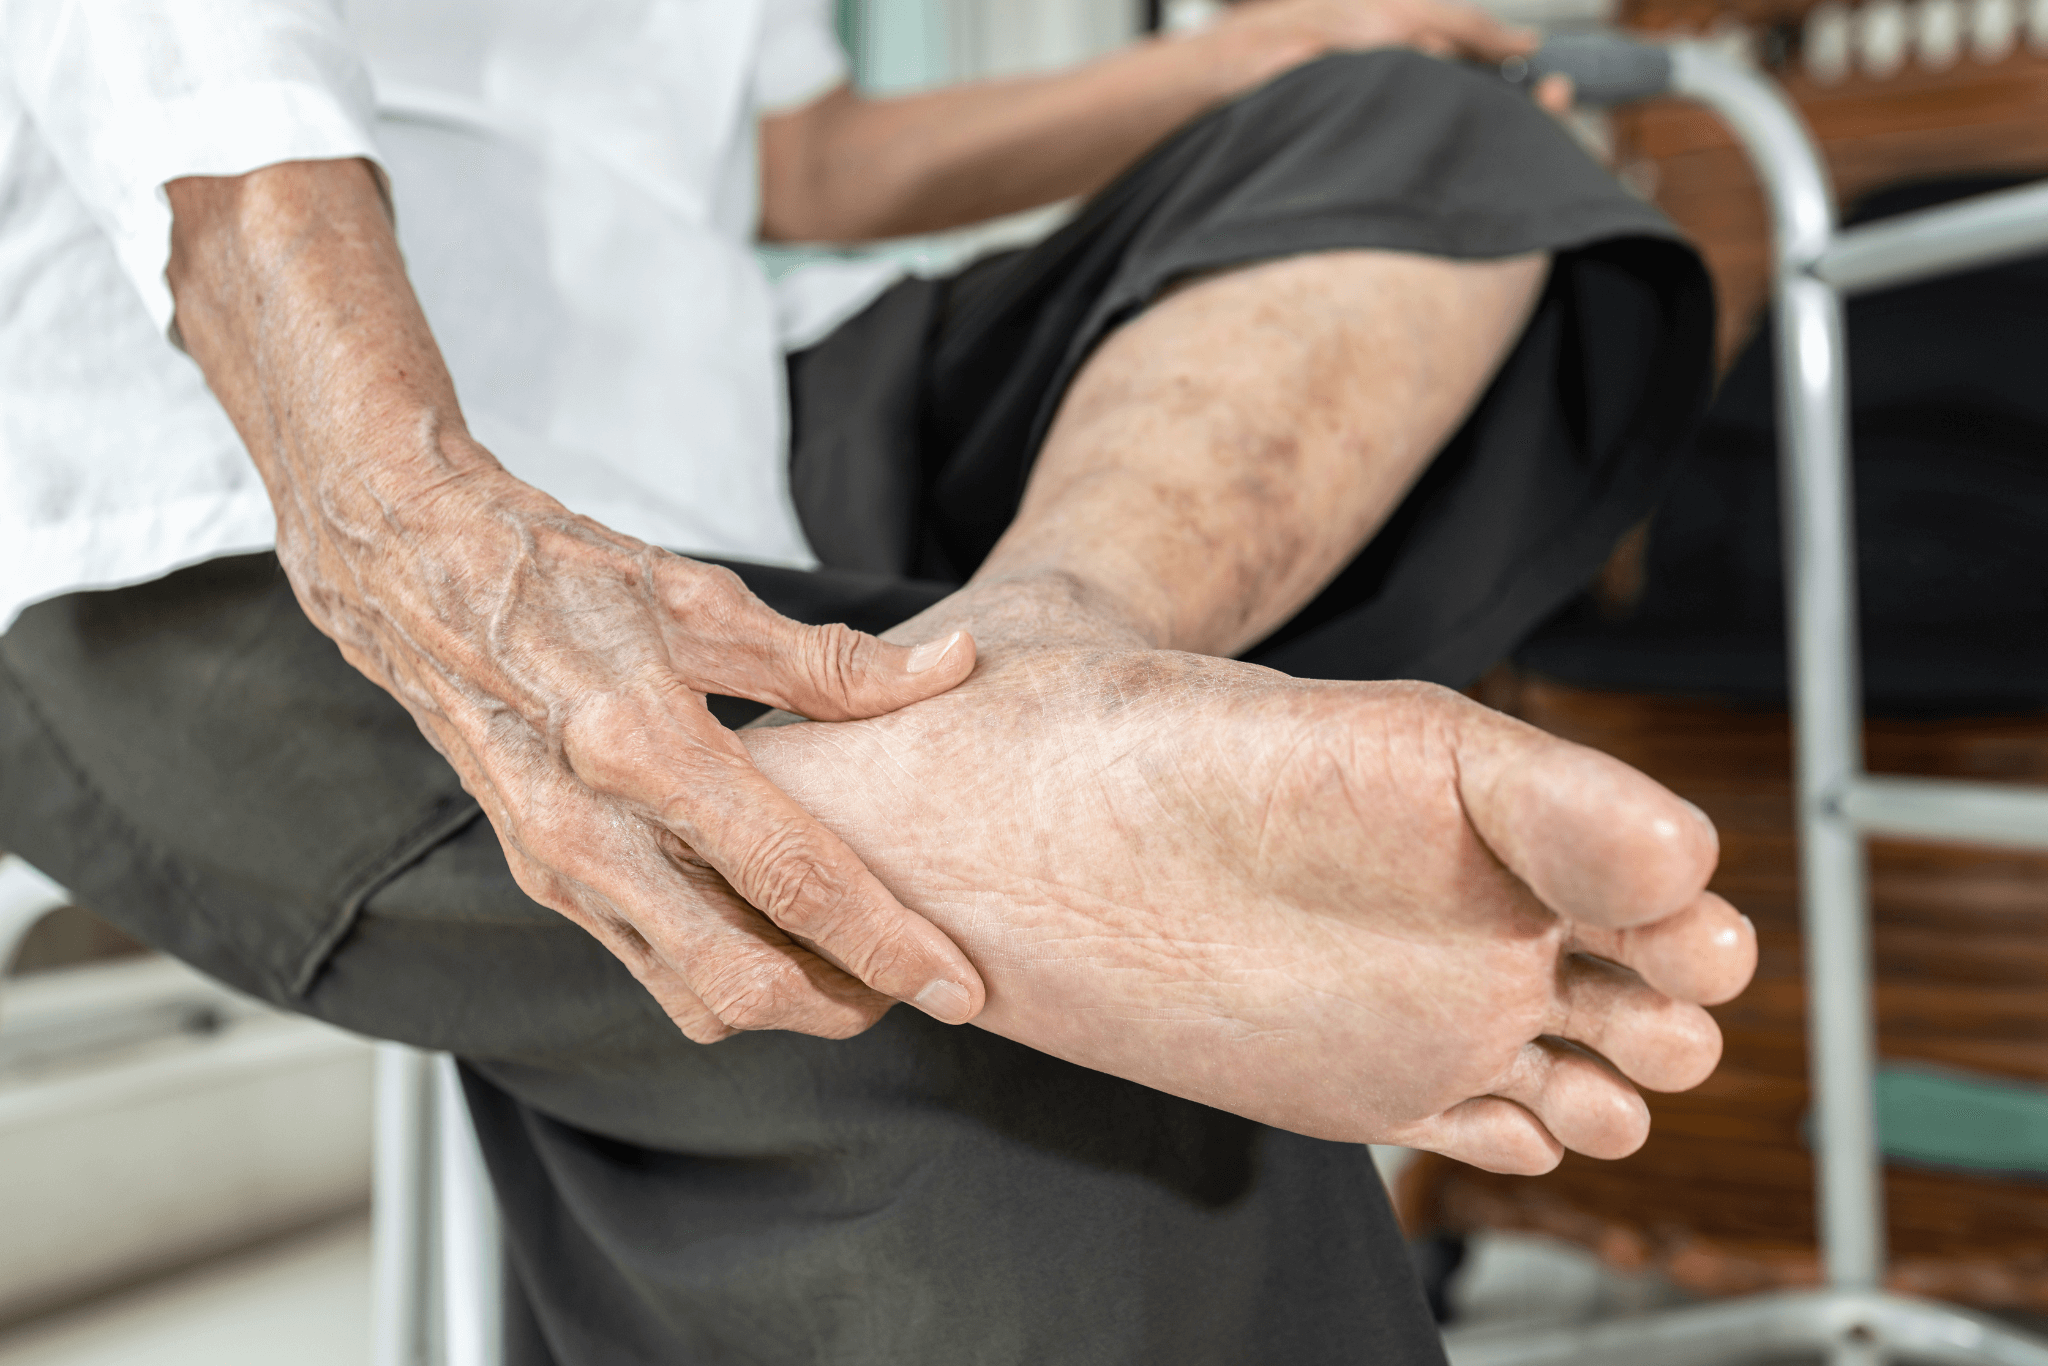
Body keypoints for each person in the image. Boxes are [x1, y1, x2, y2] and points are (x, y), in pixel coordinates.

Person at [0, 0, 1753, 1360]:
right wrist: (395, 494)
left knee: (1426, 140)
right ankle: (991, 782)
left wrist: (1261, 52)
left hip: (729, 421)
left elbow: (799, 163)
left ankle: (1055, 649)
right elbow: (184, 59)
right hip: (200, 460)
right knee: (1012, 1010)